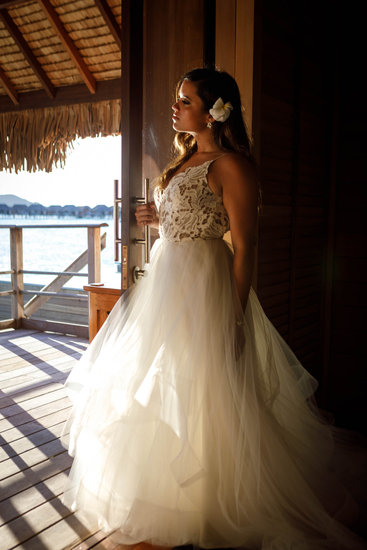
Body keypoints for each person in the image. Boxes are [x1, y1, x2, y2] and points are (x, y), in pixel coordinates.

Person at [62, 68, 366, 550]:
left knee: (208, 391)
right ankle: (170, 493)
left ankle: (214, 498)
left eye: (185, 100)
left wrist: (236, 314)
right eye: (177, 99)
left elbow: (243, 247)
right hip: (166, 286)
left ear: (214, 110)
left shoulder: (233, 166)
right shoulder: (183, 161)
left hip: (207, 290)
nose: (175, 107)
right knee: (159, 386)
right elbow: (183, 226)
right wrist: (155, 221)